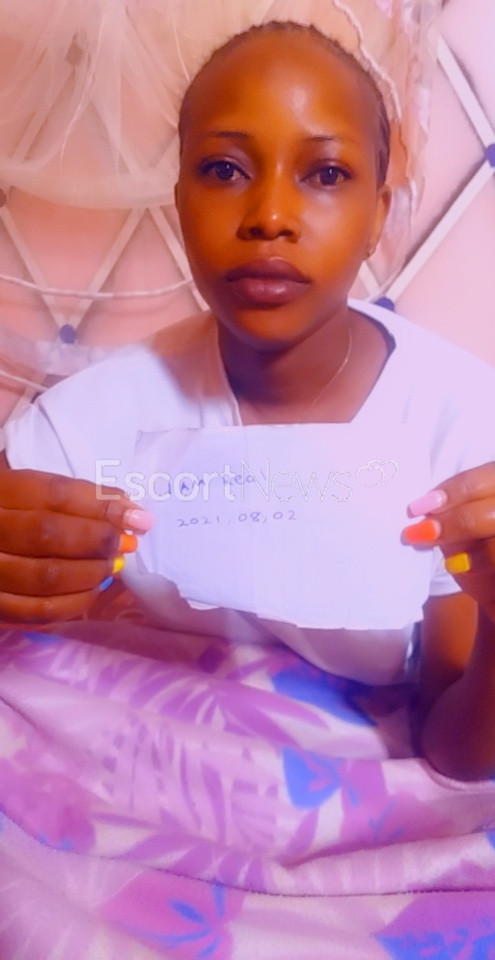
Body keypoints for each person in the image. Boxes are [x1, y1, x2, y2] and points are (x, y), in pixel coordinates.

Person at [0, 20, 495, 959]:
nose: (269, 214)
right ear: (179, 197)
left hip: (360, 811)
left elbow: (455, 755)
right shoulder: (85, 424)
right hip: (136, 794)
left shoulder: (462, 425)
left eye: (325, 173)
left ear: (380, 210)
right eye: (224, 169)